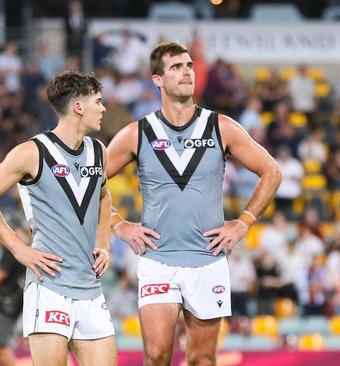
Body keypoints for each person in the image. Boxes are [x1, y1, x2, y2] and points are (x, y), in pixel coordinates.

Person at [106, 42, 281, 366]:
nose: (187, 71)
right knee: (157, 355)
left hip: (207, 259)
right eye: (176, 67)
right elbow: (91, 182)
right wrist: (118, 224)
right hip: (158, 259)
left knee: (202, 358)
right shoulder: (137, 132)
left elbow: (271, 171)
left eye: (189, 65)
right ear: (156, 79)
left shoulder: (221, 126)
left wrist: (244, 220)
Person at [0, 71, 115, 366]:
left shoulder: (98, 151)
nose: (103, 108)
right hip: (49, 287)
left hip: (90, 288)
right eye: (98, 102)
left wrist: (103, 240)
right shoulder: (31, 152)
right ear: (78, 107)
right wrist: (19, 249)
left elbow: (104, 197)